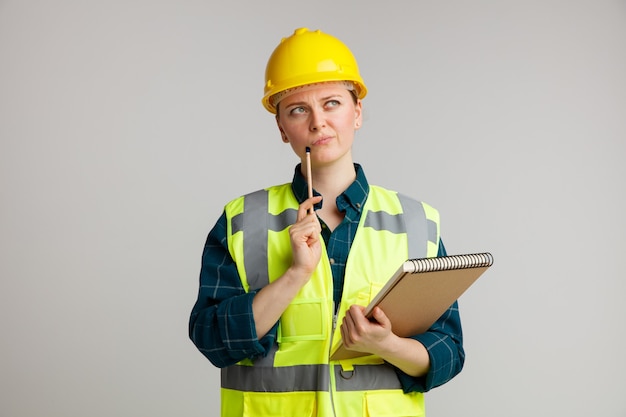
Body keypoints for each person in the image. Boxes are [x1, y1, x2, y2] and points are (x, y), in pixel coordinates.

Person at [189, 27, 464, 417]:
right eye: (298, 109)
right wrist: (294, 276)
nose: (318, 122)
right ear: (282, 128)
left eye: (332, 103)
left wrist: (386, 345)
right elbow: (212, 340)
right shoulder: (241, 220)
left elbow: (448, 351)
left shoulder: (417, 223)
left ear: (358, 113)